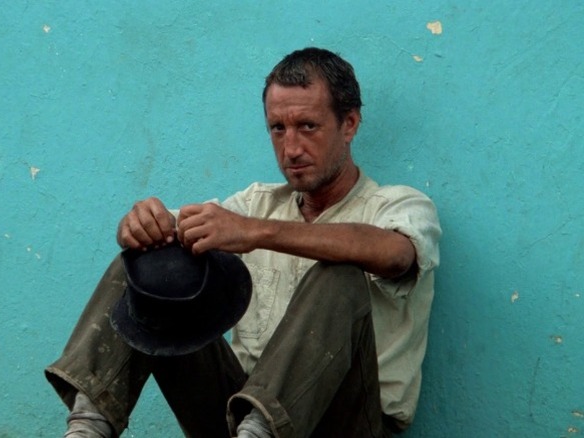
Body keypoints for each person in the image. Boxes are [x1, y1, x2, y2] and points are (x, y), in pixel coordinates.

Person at [46, 47, 441, 437]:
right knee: (147, 265)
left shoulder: (400, 205)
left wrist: (257, 233)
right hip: (236, 420)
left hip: (345, 424)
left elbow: (393, 254)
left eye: (308, 126)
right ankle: (87, 429)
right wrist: (139, 228)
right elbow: (168, 229)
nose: (291, 148)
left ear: (350, 124)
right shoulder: (256, 203)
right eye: (277, 128)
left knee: (339, 276)